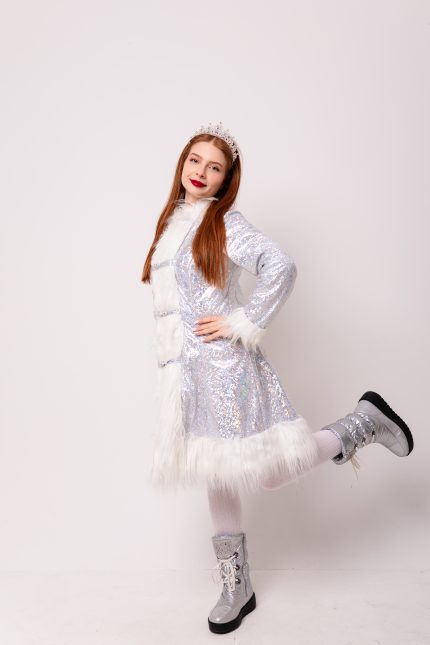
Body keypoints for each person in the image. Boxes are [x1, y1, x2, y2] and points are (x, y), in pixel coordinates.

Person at [141, 121, 414, 635]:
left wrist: (242, 320)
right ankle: (236, 586)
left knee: (268, 471)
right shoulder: (174, 224)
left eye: (214, 167)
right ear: (182, 164)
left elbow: (281, 266)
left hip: (227, 370)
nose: (201, 172)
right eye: (195, 160)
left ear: (226, 180)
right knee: (217, 470)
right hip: (191, 377)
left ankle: (361, 424)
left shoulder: (224, 222)